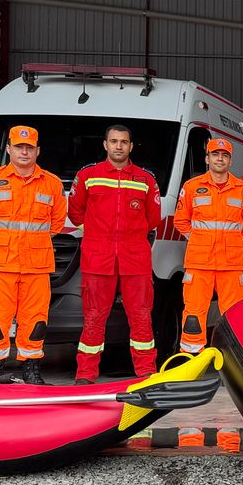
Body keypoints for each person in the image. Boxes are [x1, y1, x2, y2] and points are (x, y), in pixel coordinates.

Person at [0, 124, 66, 384]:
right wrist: (1, 241)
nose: (24, 152)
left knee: (35, 321)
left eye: (29, 148)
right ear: (9, 149)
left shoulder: (52, 184)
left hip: (36, 266)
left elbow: (56, 224)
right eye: (19, 147)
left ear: (38, 151)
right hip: (0, 265)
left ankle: (31, 370)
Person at [67, 124, 162, 383]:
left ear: (131, 146)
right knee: (94, 317)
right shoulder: (89, 176)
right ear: (105, 145)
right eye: (114, 141)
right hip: (98, 258)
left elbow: (153, 219)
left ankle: (146, 373)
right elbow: (75, 212)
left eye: (124, 141)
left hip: (136, 259)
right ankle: (85, 375)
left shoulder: (145, 180)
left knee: (141, 317)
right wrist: (97, 235)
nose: (119, 146)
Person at [174, 137, 243, 355]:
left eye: (224, 155)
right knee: (193, 314)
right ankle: (191, 359)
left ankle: (232, 361)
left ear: (230, 161)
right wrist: (198, 240)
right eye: (215, 154)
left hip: (230, 265)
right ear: (207, 158)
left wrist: (233, 244)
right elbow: (180, 221)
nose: (220, 159)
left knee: (234, 315)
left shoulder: (242, 190)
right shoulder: (192, 187)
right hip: (199, 263)